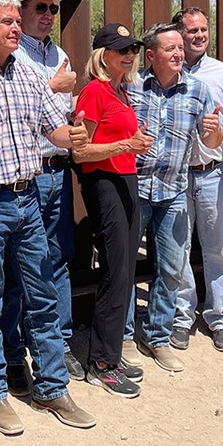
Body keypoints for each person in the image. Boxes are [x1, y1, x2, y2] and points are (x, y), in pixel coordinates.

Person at [0, 0, 95, 435]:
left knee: (41, 296)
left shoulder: (27, 75)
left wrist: (73, 137)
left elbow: (49, 129)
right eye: (7, 21)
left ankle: (52, 388)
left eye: (17, 21)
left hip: (30, 199)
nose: (17, 28)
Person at [123, 22, 223, 373]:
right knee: (125, 267)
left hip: (174, 192)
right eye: (171, 49)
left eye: (181, 48)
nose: (180, 53)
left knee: (170, 268)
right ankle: (123, 337)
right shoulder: (131, 86)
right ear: (151, 55)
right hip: (133, 190)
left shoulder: (198, 90)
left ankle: (157, 337)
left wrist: (214, 133)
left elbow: (210, 143)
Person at [3, 0, 82, 389]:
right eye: (41, 7)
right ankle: (15, 350)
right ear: (21, 12)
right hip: (29, 171)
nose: (50, 14)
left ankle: (58, 343)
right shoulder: (16, 57)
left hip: (57, 169)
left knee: (58, 260)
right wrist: (53, 89)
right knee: (22, 266)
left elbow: (59, 121)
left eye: (53, 8)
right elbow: (16, 119)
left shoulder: (58, 54)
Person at [69, 23, 153, 398]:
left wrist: (133, 144)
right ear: (102, 54)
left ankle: (112, 356)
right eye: (121, 49)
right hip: (104, 183)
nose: (129, 55)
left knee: (126, 270)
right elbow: (80, 151)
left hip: (125, 180)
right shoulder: (94, 91)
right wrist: (126, 144)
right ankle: (100, 363)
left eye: (132, 49)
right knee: (116, 270)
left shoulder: (121, 92)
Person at [172, 6, 223, 352]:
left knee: (217, 249)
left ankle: (220, 318)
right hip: (173, 177)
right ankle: (181, 317)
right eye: (192, 30)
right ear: (179, 33)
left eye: (204, 29)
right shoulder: (162, 71)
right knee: (177, 250)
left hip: (211, 174)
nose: (199, 36)